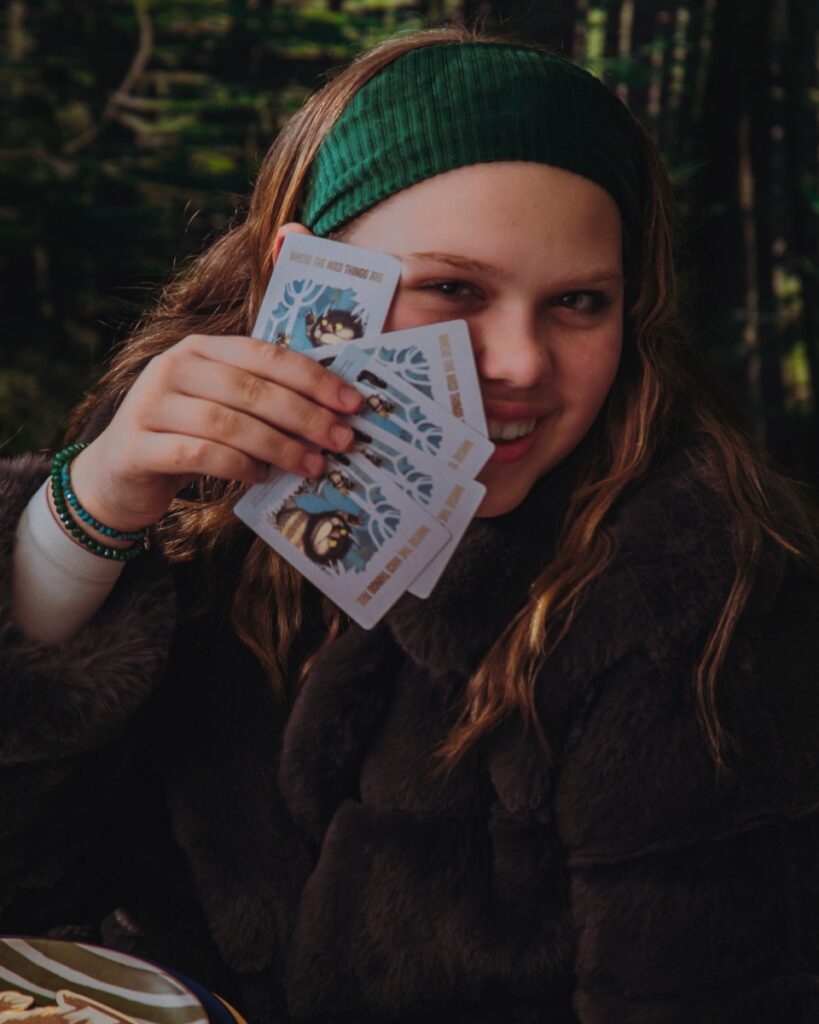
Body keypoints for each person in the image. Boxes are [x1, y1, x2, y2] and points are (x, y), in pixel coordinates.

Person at [2, 23, 819, 1024]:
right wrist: (83, 521)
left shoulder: (697, 600)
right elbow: (30, 893)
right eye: (454, 288)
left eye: (577, 301)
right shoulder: (195, 512)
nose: (519, 359)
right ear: (303, 287)